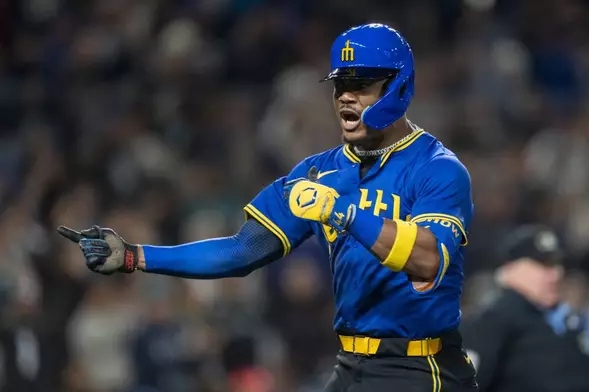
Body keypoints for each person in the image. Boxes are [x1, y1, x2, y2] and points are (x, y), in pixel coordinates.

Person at [57, 23, 478, 391]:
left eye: (362, 85)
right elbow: (242, 250)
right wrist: (134, 256)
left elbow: (427, 261)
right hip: (353, 364)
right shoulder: (317, 173)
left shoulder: (436, 170)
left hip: (421, 366)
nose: (346, 98)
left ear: (399, 86)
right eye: (340, 85)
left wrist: (344, 213)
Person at [460, 225, 589, 392]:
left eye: (556, 264)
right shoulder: (493, 321)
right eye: (543, 265)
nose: (556, 274)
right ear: (511, 268)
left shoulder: (568, 320)